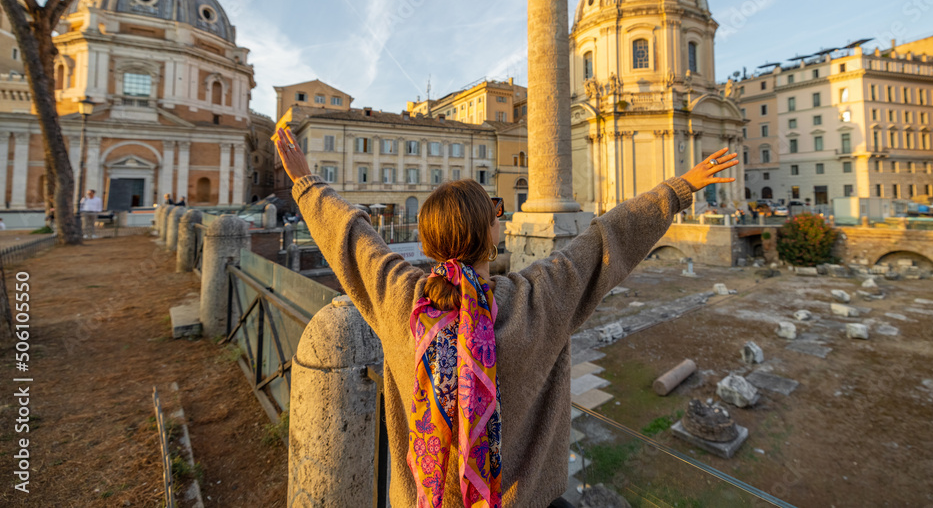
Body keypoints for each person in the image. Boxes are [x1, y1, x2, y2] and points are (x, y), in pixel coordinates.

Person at [275, 127, 736, 508]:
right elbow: (609, 237)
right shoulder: (540, 297)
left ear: (429, 242)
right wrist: (680, 188)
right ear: (491, 233)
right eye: (495, 210)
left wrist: (307, 184)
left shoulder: (399, 299)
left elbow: (352, 236)